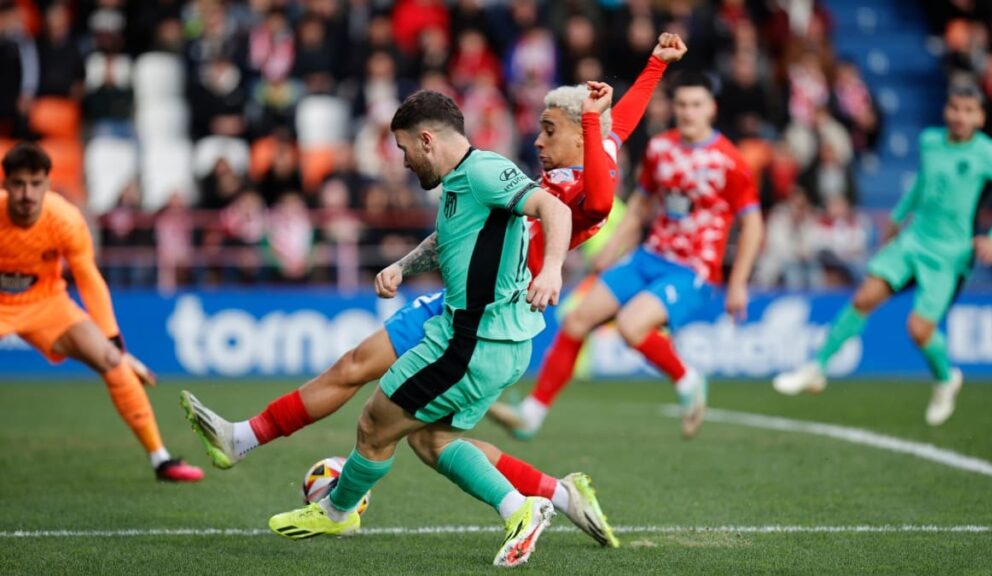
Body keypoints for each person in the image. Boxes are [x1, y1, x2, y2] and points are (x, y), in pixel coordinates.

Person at [181, 33, 687, 547]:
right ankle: (241, 438)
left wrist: (552, 266)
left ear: (579, 135)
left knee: (419, 433)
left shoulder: (579, 185)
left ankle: (359, 506)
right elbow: (617, 123)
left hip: (492, 309)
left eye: (548, 130)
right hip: (455, 299)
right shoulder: (569, 156)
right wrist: (654, 64)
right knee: (357, 368)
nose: (537, 141)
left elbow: (597, 198)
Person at [266, 90, 572, 567]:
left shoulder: (485, 171)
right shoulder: (458, 182)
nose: (405, 161)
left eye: (406, 149)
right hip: (493, 343)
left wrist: (551, 270)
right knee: (432, 440)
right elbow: (448, 238)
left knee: (373, 423)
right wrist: (404, 266)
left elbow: (557, 210)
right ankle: (520, 508)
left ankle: (338, 510)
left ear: (427, 140)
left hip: (471, 342)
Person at [489, 71, 764, 441]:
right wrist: (614, 248)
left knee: (633, 326)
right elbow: (640, 207)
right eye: (681, 104)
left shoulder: (729, 161)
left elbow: (753, 224)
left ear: (711, 109)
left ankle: (688, 379)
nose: (687, 112)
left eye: (696, 105)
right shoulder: (661, 149)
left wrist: (739, 283)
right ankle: (532, 414)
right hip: (649, 256)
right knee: (577, 320)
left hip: (693, 267)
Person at [773, 84, 992, 425]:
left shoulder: (989, 154)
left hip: (949, 254)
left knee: (919, 329)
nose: (960, 117)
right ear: (946, 110)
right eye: (955, 108)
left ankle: (946, 379)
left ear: (980, 116)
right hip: (914, 238)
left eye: (969, 111)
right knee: (864, 297)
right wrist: (896, 217)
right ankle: (816, 368)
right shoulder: (931, 141)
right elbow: (923, 184)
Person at [0, 142, 203, 482]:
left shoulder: (64, 218)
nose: (27, 193)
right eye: (19, 184)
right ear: (5, 185)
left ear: (48, 184)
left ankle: (162, 460)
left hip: (46, 302)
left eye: (35, 184)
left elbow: (89, 279)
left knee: (112, 362)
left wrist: (117, 347)